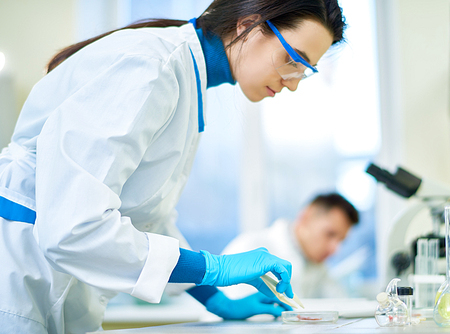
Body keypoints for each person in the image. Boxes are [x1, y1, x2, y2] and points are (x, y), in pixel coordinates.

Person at [0, 1, 346, 333]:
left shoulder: (185, 80)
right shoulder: (151, 67)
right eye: (292, 60)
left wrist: (215, 298)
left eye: (304, 70)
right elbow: (74, 226)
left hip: (46, 283)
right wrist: (214, 268)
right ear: (248, 26)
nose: (294, 82)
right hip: (17, 277)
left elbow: (148, 221)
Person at [222, 193, 359, 299]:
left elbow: (341, 303)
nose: (334, 249)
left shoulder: (316, 264)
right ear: (306, 216)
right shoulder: (250, 247)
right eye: (330, 234)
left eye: (340, 240)